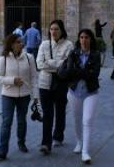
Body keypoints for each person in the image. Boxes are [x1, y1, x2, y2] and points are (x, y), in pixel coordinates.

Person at [0, 34, 39, 160]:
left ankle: (21, 142)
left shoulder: (29, 58)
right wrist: (12, 80)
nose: (21, 44)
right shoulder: (4, 58)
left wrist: (36, 96)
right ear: (12, 44)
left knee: (21, 121)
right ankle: (2, 150)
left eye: (22, 42)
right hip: (8, 95)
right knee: (6, 122)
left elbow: (34, 77)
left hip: (24, 95)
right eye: (18, 42)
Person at [59, 29, 101, 164]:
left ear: (91, 39)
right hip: (74, 91)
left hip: (90, 92)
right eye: (81, 37)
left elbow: (94, 74)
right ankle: (79, 141)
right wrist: (84, 72)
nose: (84, 40)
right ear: (79, 39)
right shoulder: (74, 53)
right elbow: (69, 71)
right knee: (77, 119)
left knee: (87, 120)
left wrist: (78, 72)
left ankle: (85, 152)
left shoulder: (95, 55)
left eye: (87, 37)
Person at [36, 19, 74, 155]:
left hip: (61, 83)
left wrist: (49, 63)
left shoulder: (68, 45)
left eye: (56, 29)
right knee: (47, 114)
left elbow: (67, 65)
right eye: (51, 29)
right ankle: (46, 143)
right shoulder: (44, 44)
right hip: (44, 84)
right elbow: (39, 64)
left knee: (60, 111)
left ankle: (58, 135)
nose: (53, 32)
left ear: (62, 30)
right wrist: (57, 64)